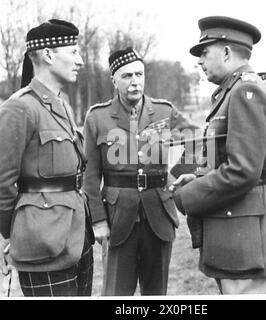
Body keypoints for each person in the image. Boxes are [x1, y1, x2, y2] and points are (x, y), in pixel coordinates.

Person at [172, 16, 266, 294]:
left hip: (243, 233)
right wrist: (198, 176)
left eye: (204, 52)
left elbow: (243, 170)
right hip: (236, 227)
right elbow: (229, 160)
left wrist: (188, 196)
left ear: (226, 52)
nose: (200, 61)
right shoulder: (231, 91)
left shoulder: (245, 90)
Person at [83, 47, 198, 296]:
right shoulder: (97, 118)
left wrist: (178, 175)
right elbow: (90, 177)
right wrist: (99, 220)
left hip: (158, 214)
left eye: (139, 74)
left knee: (156, 293)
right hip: (117, 220)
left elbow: (196, 141)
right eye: (127, 76)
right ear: (113, 80)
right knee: (116, 293)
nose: (135, 82)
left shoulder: (165, 112)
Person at [0, 19, 95, 296]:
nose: (80, 61)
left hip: (77, 238)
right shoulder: (19, 108)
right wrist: (13, 233)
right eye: (73, 52)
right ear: (49, 55)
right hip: (42, 245)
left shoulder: (61, 105)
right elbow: (0, 185)